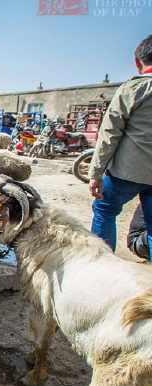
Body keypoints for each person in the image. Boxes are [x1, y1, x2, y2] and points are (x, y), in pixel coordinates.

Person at [89, 34, 152, 256]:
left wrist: (95, 173)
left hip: (126, 173)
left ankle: (101, 270)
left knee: (104, 209)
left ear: (138, 62)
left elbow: (109, 134)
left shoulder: (132, 90)